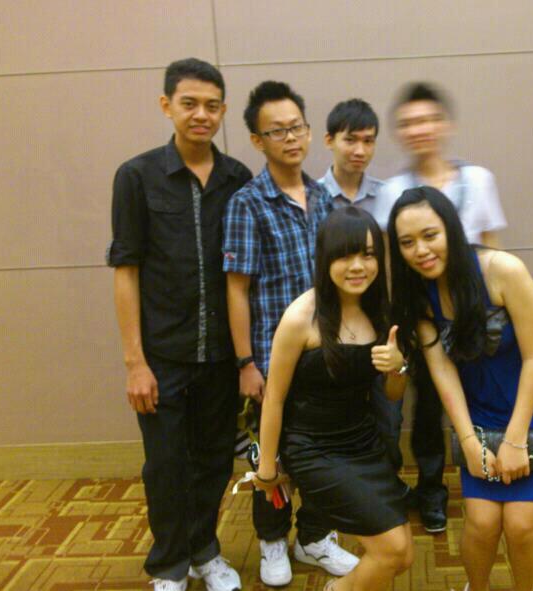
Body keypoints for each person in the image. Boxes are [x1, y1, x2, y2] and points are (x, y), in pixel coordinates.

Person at [107, 58, 251, 591]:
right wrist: (134, 362)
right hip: (162, 356)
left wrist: (246, 358)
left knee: (214, 461)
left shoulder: (238, 179)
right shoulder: (136, 176)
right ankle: (168, 564)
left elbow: (243, 276)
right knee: (165, 467)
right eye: (189, 103)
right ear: (166, 105)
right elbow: (126, 270)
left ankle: (205, 550)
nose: (201, 115)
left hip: (220, 356)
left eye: (212, 106)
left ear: (224, 111)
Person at [387, 187, 533, 591]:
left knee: (521, 524)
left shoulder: (503, 271)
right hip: (481, 408)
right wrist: (469, 442)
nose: (421, 250)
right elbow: (443, 372)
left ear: (451, 230)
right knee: (482, 521)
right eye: (407, 242)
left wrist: (516, 438)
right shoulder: (418, 294)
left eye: (430, 235)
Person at [223, 81, 357, 587]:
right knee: (271, 452)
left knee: (325, 451)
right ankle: (273, 540)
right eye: (277, 131)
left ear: (309, 130)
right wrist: (245, 363)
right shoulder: (247, 203)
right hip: (270, 357)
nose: (291, 138)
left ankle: (314, 536)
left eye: (297, 127)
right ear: (257, 141)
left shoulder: (324, 198)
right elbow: (236, 291)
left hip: (325, 356)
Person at [254, 206, 414, 591]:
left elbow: (392, 394)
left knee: (403, 555)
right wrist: (268, 468)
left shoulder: (381, 313)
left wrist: (399, 367)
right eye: (345, 256)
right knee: (392, 551)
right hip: (312, 448)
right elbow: (274, 398)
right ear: (325, 259)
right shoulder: (301, 317)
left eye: (368, 255)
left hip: (363, 443)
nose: (357, 266)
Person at [372, 82, 508, 532]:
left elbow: (494, 249)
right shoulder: (393, 191)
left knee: (487, 393)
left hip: (477, 315)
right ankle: (432, 491)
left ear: (446, 124)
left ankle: (499, 474)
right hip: (424, 316)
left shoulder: (479, 180)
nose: (420, 130)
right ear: (399, 132)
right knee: (429, 407)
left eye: (429, 119)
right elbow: (390, 263)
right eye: (410, 123)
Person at [317, 99, 406, 475]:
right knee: (333, 415)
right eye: (350, 140)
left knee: (389, 416)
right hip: (331, 325)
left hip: (381, 321)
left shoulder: (388, 197)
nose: (359, 150)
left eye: (368, 141)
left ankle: (387, 485)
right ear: (329, 141)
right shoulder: (312, 197)